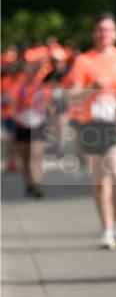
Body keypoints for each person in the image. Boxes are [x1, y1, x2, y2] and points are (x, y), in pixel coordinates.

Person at [65, 13, 116, 249]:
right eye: (100, 30)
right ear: (94, 33)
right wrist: (90, 88)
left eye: (108, 30)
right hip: (93, 123)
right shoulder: (84, 61)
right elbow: (71, 95)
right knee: (100, 180)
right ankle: (107, 228)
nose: (104, 34)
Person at [11, 55, 51, 197]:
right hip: (22, 124)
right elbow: (13, 106)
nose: (30, 74)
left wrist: (43, 118)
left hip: (37, 123)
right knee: (25, 157)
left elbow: (48, 106)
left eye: (32, 72)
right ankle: (28, 182)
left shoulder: (42, 87)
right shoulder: (18, 87)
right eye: (27, 72)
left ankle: (37, 183)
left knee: (36, 156)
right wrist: (17, 118)